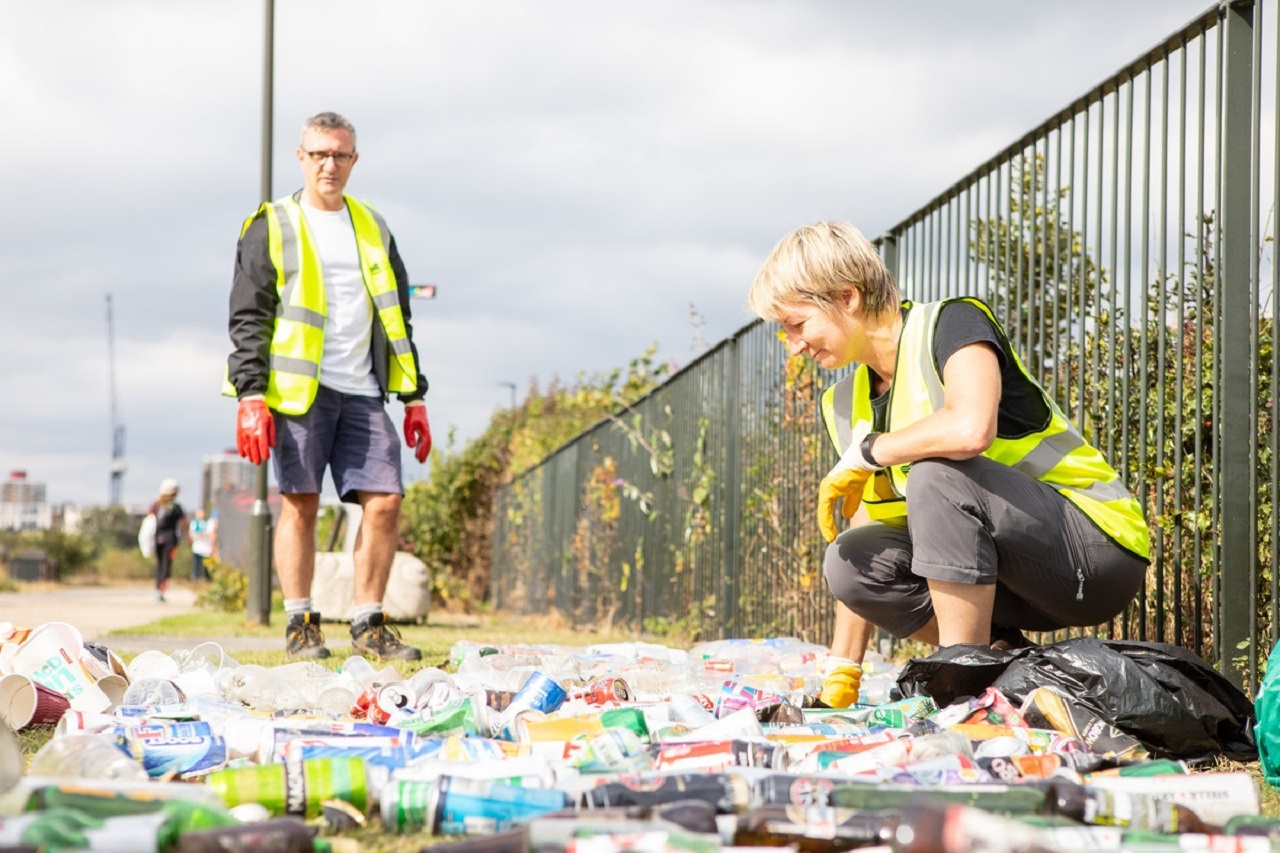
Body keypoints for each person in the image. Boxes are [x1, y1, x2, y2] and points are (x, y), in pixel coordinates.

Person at [747, 221, 1150, 708]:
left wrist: (870, 451)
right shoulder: (843, 401)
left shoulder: (953, 325)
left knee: (936, 473)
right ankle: (1006, 663)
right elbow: (870, 514)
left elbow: (970, 428)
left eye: (797, 323)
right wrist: (843, 670)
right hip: (1007, 580)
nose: (794, 345)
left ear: (847, 298)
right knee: (849, 561)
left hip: (1093, 553)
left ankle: (962, 684)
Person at [225, 111, 432, 661]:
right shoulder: (272, 224)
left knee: (385, 501)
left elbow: (398, 319)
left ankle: (368, 621)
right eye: (319, 154)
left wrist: (414, 399)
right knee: (301, 503)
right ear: (301, 157)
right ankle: (300, 623)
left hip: (364, 390)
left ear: (354, 160)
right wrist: (250, 395)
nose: (329, 165)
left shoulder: (373, 226)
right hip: (299, 393)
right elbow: (249, 315)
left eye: (340, 155)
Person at [150, 479, 189, 603]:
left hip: (157, 539)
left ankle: (157, 589)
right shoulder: (176, 507)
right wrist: (188, 536)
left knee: (160, 565)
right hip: (170, 540)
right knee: (166, 566)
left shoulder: (156, 505)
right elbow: (184, 524)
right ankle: (160, 591)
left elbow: (149, 520)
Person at [189, 508, 213, 581]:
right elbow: (191, 535)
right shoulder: (194, 523)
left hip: (207, 549)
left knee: (207, 567)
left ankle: (207, 579)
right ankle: (196, 580)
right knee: (197, 566)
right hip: (197, 548)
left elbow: (211, 534)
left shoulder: (208, 522)